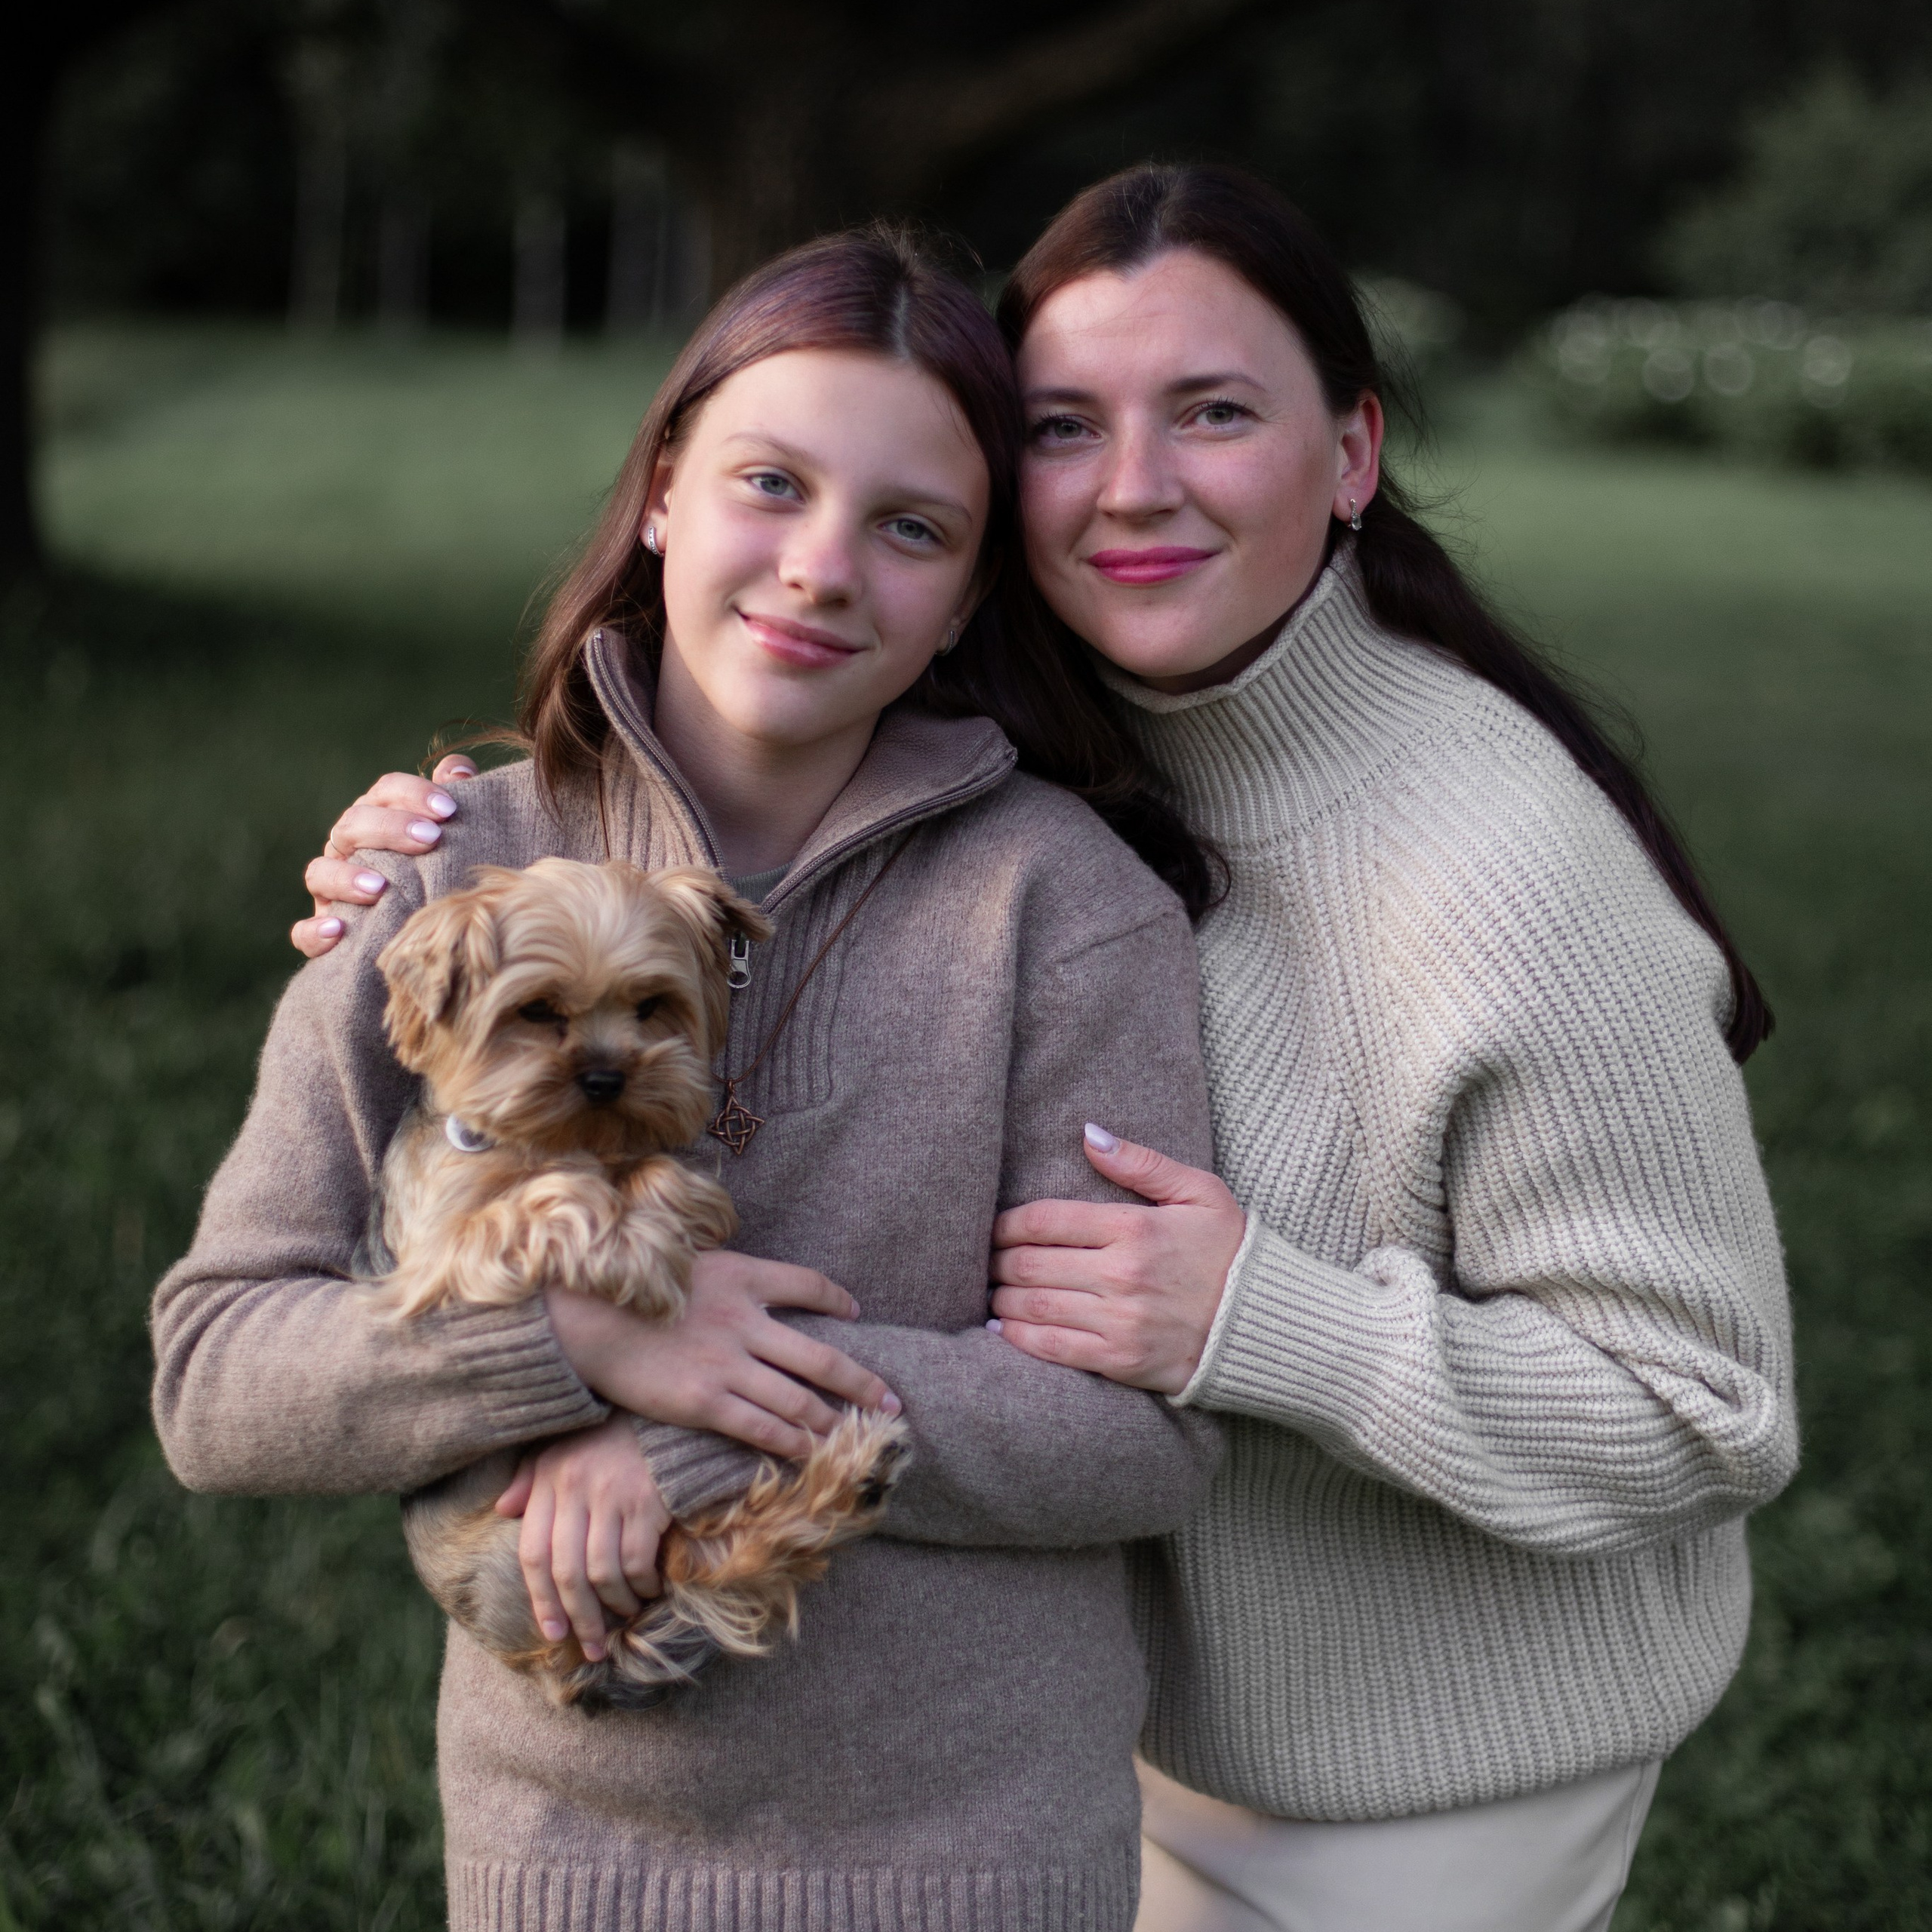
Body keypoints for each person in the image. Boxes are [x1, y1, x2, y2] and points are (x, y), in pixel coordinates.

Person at [291, 168, 1798, 1932]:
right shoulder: (1091, 751)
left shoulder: (1509, 877)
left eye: (1214, 412)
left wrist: (1266, 1319)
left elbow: (1707, 1414)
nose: (1131, 485)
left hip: (1416, 1774)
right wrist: (418, 865)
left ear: (1354, 452)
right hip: (1113, 1723)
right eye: (1068, 424)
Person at [153, 225, 1226, 1932]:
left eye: (909, 528)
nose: (817, 568)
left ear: (967, 593)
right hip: (572, 1852)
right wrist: (564, 1341)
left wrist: (683, 1432)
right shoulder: (444, 869)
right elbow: (217, 1375)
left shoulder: (1065, 906)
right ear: (660, 491)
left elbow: (1134, 1437)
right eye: (767, 482)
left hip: (976, 1852)